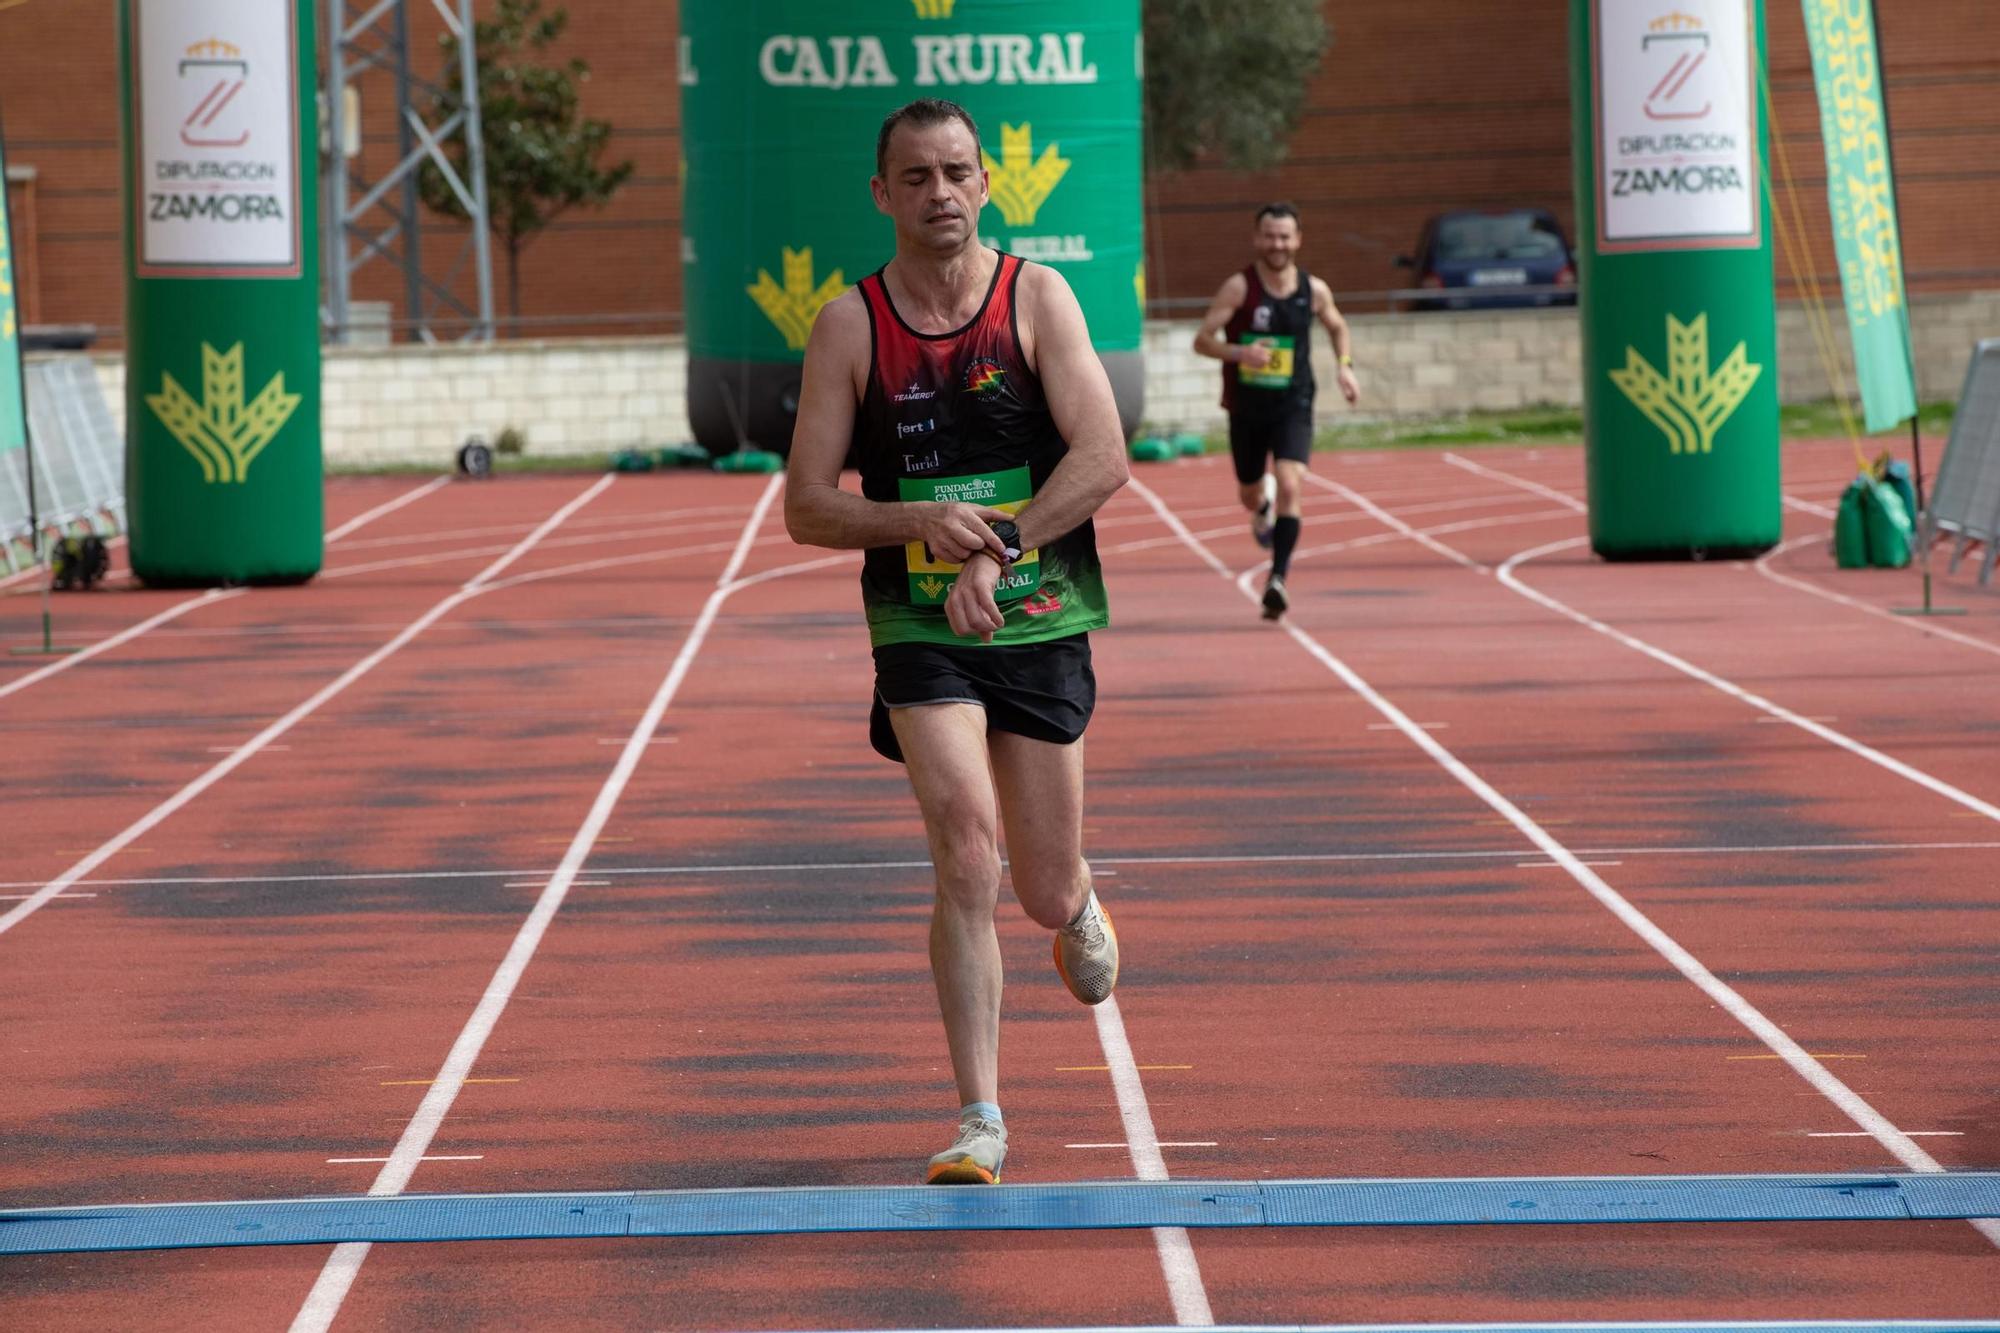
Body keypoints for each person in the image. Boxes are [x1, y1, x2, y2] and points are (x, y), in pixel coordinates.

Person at [784, 97, 1129, 1186]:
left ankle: (1073, 899)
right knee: (962, 848)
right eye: (916, 177)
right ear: (880, 194)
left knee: (1030, 881)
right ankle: (979, 1114)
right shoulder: (849, 327)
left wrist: (1001, 545)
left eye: (958, 173)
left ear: (986, 184)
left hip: (1041, 611)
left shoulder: (1037, 297)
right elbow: (803, 504)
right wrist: (916, 524)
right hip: (916, 624)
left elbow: (1104, 456)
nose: (940, 194)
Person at [1192, 202, 1360, 620]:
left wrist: (1345, 369)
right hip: (1246, 409)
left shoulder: (1313, 290)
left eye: (1285, 236)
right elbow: (1202, 340)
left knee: (1289, 481)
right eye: (1270, 235)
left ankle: (1277, 579)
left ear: (1298, 240)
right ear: (1257, 238)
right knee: (1250, 493)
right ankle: (1261, 507)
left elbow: (1338, 326)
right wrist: (1240, 352)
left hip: (1294, 404)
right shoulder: (1239, 288)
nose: (1277, 244)